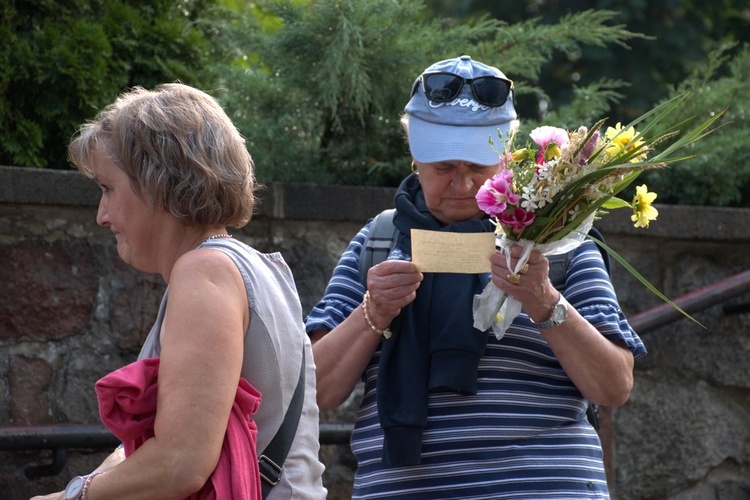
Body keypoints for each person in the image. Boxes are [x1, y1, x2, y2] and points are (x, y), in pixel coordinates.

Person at [305, 55, 646, 498]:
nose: (463, 186)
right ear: (414, 155)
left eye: (478, 168)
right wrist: (375, 311)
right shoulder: (378, 240)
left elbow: (615, 385)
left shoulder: (559, 242)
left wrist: (545, 301)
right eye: (444, 168)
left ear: (508, 158)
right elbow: (318, 389)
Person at [32, 83, 327, 499]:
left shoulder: (204, 272)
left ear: (157, 182)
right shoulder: (255, 269)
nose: (102, 215)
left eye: (107, 188)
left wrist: (73, 496)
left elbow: (180, 462)